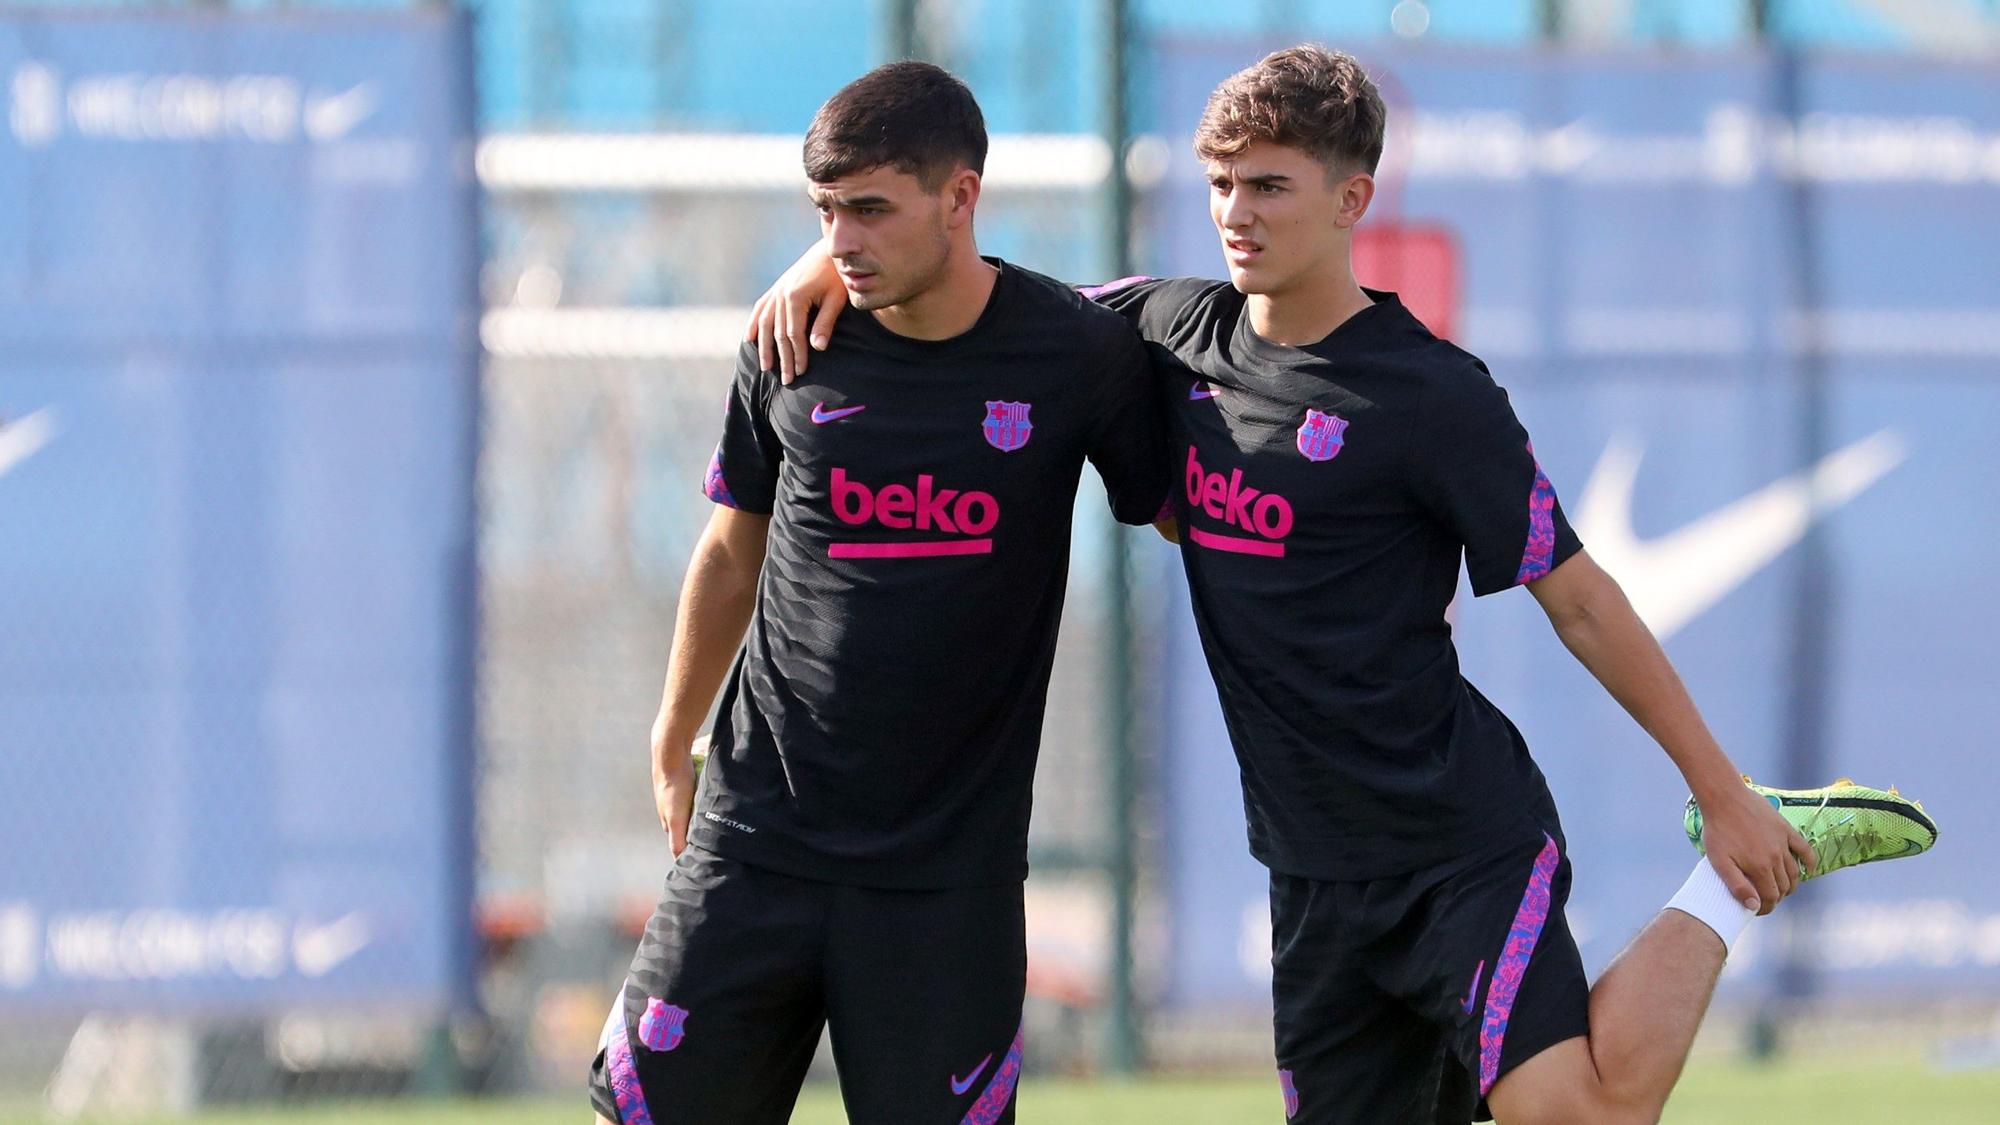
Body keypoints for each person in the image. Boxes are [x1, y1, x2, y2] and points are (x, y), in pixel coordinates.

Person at [749, 44, 1936, 1125]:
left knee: (1572, 1118)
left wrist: (1714, 788)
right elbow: (970, 283)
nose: (1234, 215)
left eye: (1267, 186)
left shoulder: (1432, 395)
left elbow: (1578, 599)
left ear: (1349, 198)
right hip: (1310, 880)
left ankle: (1735, 864)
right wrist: (829, 249)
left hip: (1457, 841)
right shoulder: (1166, 332)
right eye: (1220, 185)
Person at [589, 61, 1169, 1125]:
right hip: (754, 842)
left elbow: (1184, 515)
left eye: (868, 210)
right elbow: (730, 551)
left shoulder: (1074, 356)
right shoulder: (788, 343)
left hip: (945, 884)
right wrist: (673, 735)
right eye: (823, 213)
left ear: (960, 198)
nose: (842, 241)